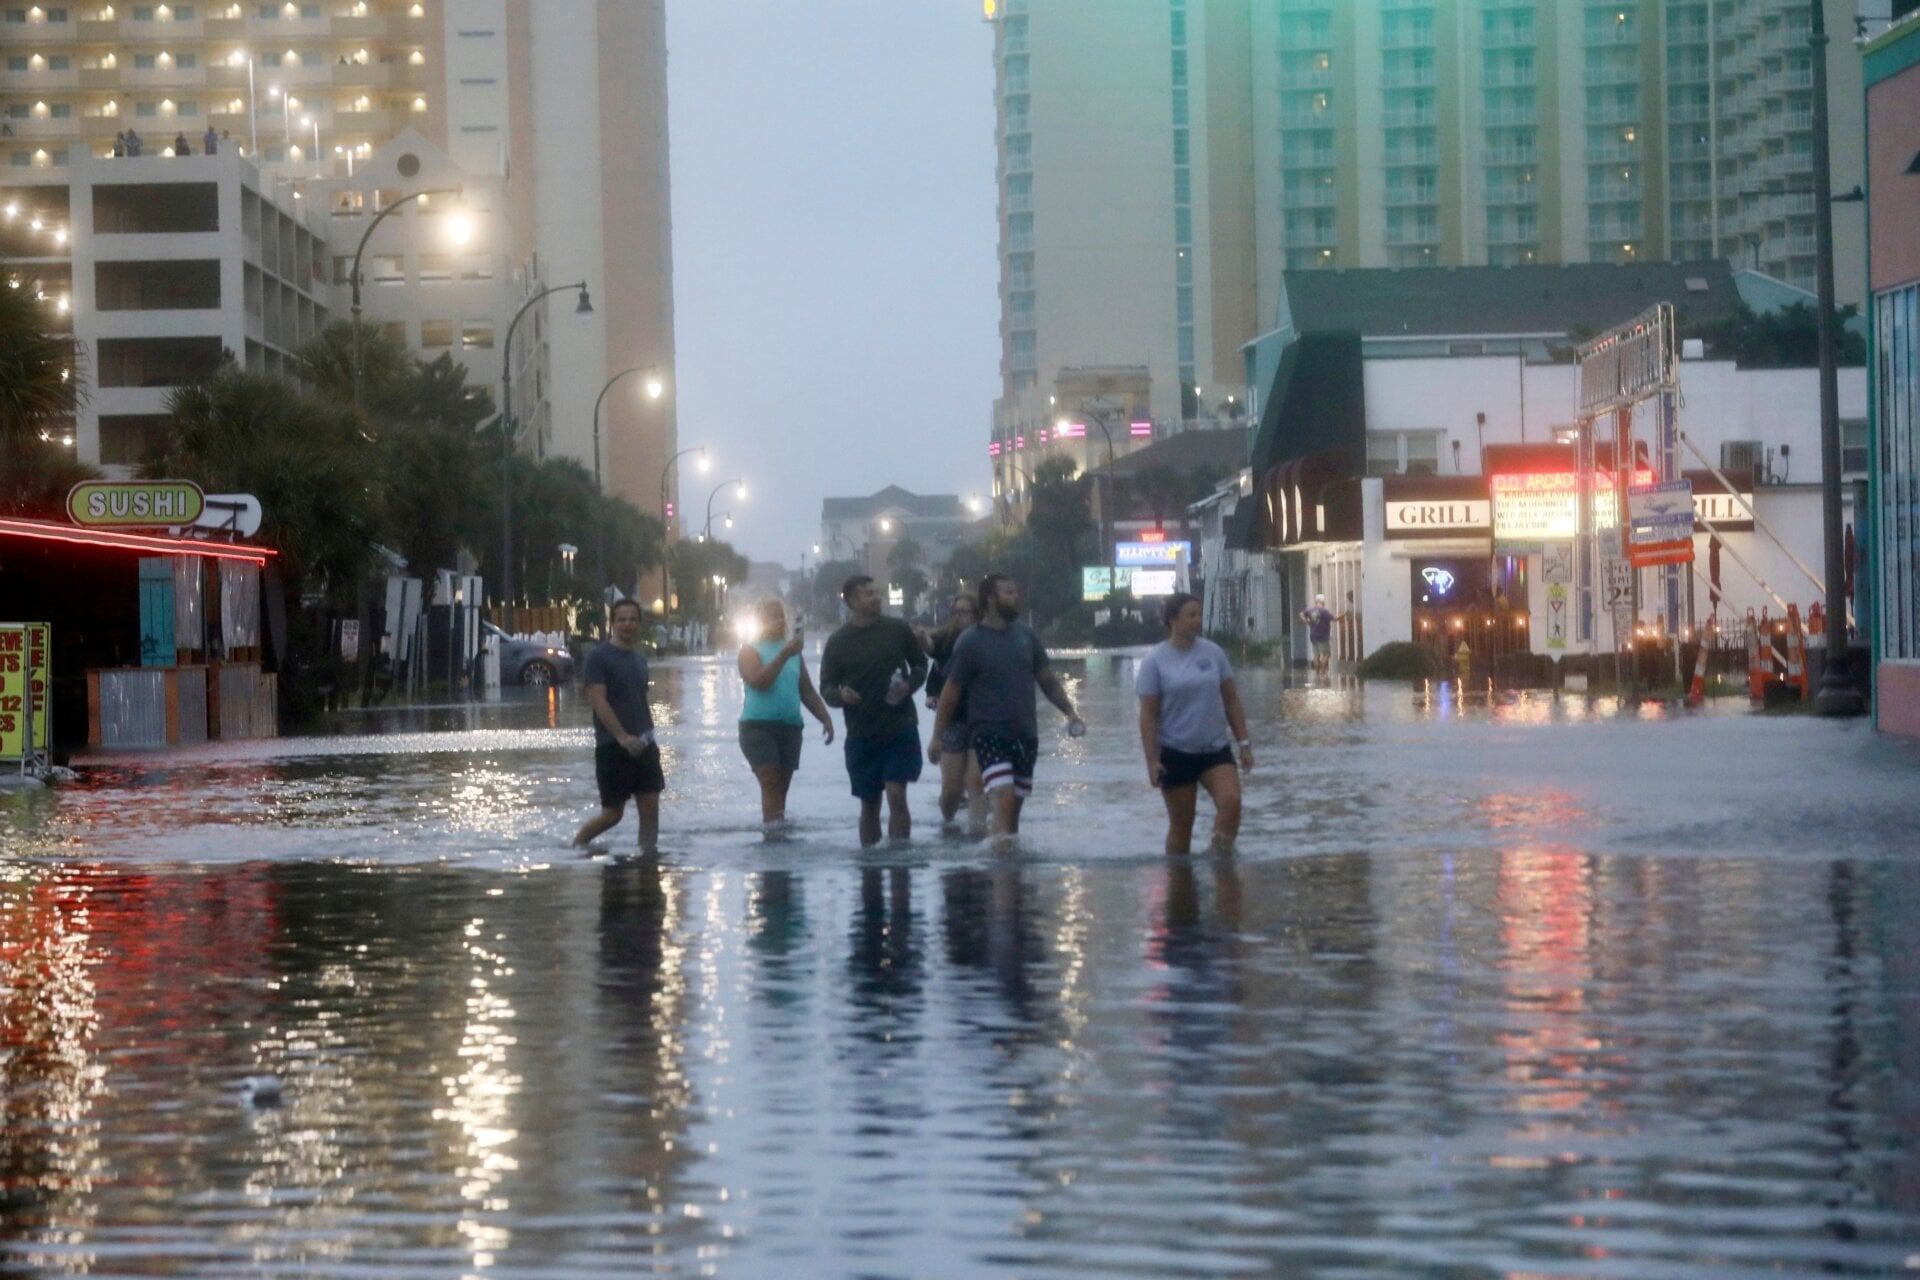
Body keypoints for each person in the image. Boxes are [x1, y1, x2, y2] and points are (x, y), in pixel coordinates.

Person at [929, 573, 1083, 850]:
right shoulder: (970, 642)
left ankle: (1009, 870)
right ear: (991, 598)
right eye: (1008, 592)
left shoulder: (1026, 636)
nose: (1015, 597)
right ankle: (1000, 874)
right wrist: (937, 737)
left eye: (1015, 591)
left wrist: (1070, 712)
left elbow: (1047, 680)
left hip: (1025, 735)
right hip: (989, 734)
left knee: (1014, 808)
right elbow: (950, 693)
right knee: (1003, 797)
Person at [1137, 592, 1252, 855]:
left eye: (1199, 615)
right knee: (1182, 827)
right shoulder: (1155, 661)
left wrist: (1244, 743)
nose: (1197, 621)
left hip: (1215, 749)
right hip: (1176, 753)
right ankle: (1180, 884)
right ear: (1172, 620)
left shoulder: (1214, 653)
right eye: (1191, 616)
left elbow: (1231, 700)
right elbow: (1148, 715)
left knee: (1231, 802)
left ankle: (1219, 860)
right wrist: (1151, 759)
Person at [819, 575, 927, 846]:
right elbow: (827, 687)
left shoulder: (897, 629)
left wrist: (909, 685)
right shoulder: (838, 642)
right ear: (853, 601)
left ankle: (900, 860)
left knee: (896, 794)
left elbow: (920, 664)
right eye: (868, 594)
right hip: (861, 733)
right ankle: (870, 869)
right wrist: (840, 695)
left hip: (899, 726)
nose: (876, 597)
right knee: (869, 805)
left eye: (875, 592)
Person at [572, 599, 665, 853]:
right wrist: (622, 736)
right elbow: (598, 701)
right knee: (613, 814)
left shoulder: (639, 660)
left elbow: (637, 701)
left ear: (639, 624)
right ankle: (576, 847)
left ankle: (648, 862)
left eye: (633, 619)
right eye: (621, 619)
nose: (627, 624)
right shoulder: (598, 658)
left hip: (645, 745)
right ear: (612, 623)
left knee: (650, 810)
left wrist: (647, 737)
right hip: (612, 746)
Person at [737, 597, 834, 830]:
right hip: (757, 727)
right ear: (761, 621)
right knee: (770, 781)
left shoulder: (794, 653)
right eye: (772, 616)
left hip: (790, 728)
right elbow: (760, 682)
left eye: (781, 616)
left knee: (781, 786)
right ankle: (772, 836)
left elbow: (807, 691)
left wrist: (826, 717)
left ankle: (777, 831)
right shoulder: (749, 650)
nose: (779, 621)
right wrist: (783, 655)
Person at [920, 591, 986, 833]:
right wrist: (921, 639)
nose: (961, 617)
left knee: (976, 782)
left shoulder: (985, 639)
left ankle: (978, 835)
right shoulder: (946, 640)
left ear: (976, 614)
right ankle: (948, 823)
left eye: (965, 611)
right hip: (952, 721)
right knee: (951, 789)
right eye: (956, 612)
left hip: (982, 720)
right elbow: (931, 647)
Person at [1300, 592, 1338, 675]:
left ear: (1316, 601)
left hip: (1313, 636)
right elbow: (1335, 619)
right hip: (1323, 637)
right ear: (1323, 602)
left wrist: (1306, 620)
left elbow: (1301, 614)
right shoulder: (1325, 611)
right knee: (1326, 654)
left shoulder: (1310, 610)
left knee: (1316, 656)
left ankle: (1317, 674)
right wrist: (1344, 614)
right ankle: (1323, 672)